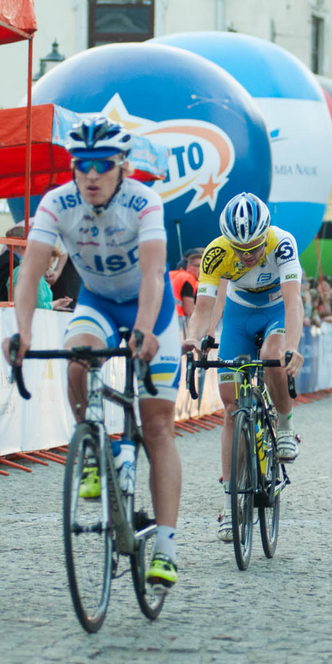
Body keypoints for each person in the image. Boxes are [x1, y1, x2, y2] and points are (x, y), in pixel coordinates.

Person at [3, 116, 182, 588]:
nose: (91, 174)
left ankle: (166, 547)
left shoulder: (144, 202)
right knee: (77, 358)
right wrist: (23, 332)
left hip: (152, 306)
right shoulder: (57, 203)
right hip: (98, 301)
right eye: (82, 164)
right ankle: (92, 446)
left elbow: (153, 274)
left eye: (102, 164)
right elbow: (29, 273)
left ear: (122, 166)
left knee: (158, 426)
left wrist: (144, 330)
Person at [182, 192, 304, 542]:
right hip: (239, 315)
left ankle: (284, 425)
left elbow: (294, 301)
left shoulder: (282, 243)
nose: (247, 254)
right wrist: (193, 338)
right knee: (231, 406)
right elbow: (203, 307)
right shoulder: (216, 252)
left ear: (265, 234)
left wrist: (292, 346)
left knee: (272, 354)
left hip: (276, 310)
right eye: (240, 248)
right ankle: (230, 501)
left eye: (253, 247)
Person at [169, 247, 203, 319]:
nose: (201, 270)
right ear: (189, 266)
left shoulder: (172, 274)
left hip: (163, 315)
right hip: (178, 318)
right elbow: (189, 310)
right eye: (198, 266)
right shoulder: (188, 279)